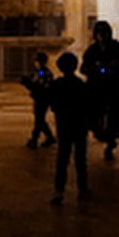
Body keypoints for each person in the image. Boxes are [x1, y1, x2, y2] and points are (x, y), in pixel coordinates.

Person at [83, 20, 119, 159]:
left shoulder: (118, 47)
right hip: (97, 89)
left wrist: (117, 64)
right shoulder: (92, 50)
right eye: (99, 33)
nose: (102, 36)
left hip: (113, 88)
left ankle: (111, 141)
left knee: (114, 117)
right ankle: (101, 135)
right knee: (96, 116)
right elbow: (84, 68)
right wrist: (94, 67)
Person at [48, 51, 92, 204]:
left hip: (64, 126)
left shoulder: (57, 84)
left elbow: (52, 104)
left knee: (62, 159)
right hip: (79, 126)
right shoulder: (80, 84)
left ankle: (59, 191)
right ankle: (82, 188)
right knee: (80, 159)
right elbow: (87, 105)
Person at [19, 50, 56, 148]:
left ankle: (34, 139)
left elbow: (38, 86)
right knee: (40, 119)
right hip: (43, 98)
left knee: (39, 120)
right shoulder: (45, 71)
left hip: (41, 98)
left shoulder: (41, 72)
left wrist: (26, 83)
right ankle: (49, 137)